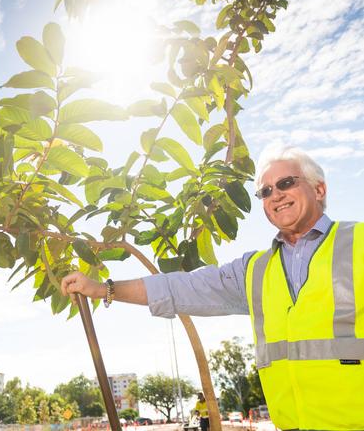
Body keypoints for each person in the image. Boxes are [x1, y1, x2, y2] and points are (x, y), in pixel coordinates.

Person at [61, 146, 364, 431]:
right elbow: (184, 288)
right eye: (265, 191)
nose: (276, 195)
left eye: (286, 182)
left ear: (319, 189)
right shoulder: (256, 270)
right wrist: (105, 289)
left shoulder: (359, 243)